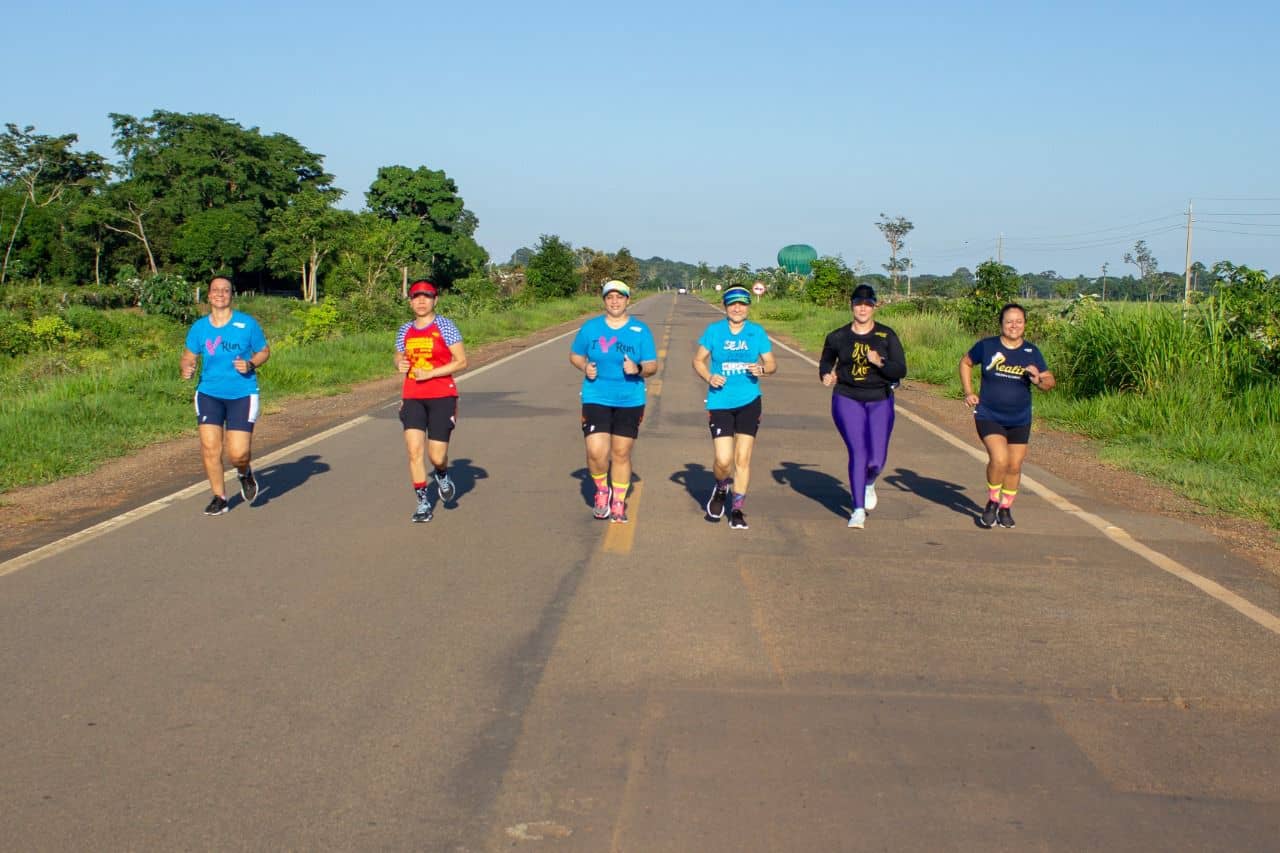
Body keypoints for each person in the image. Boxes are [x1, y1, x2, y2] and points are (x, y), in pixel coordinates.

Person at [959, 302, 1055, 529]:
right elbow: (966, 362)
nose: (1014, 326)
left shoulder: (1031, 352)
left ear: (1025, 324)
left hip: (1020, 418)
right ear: (1001, 323)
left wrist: (1038, 380)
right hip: (989, 414)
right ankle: (993, 501)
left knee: (1014, 465)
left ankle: (1005, 507)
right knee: (1000, 459)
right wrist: (969, 392)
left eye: (1019, 321)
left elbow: (1049, 382)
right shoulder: (987, 346)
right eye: (1009, 321)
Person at [568, 280, 658, 523]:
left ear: (628, 300)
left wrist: (638, 368)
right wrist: (584, 367)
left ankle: (618, 501)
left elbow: (652, 365)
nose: (615, 301)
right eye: (610, 297)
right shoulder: (591, 328)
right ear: (604, 301)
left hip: (630, 399)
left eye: (620, 297)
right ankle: (602, 490)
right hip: (596, 396)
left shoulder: (640, 330)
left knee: (621, 452)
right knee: (596, 451)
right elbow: (575, 355)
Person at [818, 283, 907, 529]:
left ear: (875, 307)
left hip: (880, 399)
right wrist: (826, 374)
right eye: (859, 304)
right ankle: (857, 510)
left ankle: (869, 483)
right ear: (852, 306)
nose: (863, 309)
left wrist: (880, 362)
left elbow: (900, 369)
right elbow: (826, 362)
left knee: (876, 460)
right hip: (847, 397)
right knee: (858, 452)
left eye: (868, 304)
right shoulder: (838, 336)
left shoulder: (886, 335)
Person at [180, 276, 271, 516]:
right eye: (216, 290)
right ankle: (219, 497)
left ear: (232, 295)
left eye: (226, 290)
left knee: (238, 454)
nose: (220, 293)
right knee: (210, 447)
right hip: (209, 393)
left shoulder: (247, 324)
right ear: (209, 295)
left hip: (242, 394)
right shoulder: (199, 327)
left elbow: (264, 351)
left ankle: (244, 472)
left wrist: (251, 364)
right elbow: (189, 355)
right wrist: (187, 367)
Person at [692, 286, 777, 530]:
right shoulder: (714, 331)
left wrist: (762, 369)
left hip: (749, 401)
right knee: (723, 460)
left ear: (748, 306)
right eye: (732, 304)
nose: (737, 308)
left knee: (743, 458)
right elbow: (698, 360)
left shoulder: (756, 332)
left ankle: (737, 509)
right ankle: (721, 487)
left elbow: (771, 364)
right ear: (725, 306)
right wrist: (709, 377)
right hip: (720, 401)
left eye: (742, 304)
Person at [395, 280, 468, 523]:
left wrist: (431, 373)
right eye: (416, 297)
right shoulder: (405, 330)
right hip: (412, 396)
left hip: (441, 396)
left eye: (426, 296)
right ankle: (423, 503)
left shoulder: (445, 326)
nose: (421, 301)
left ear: (435, 300)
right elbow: (398, 355)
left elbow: (461, 361)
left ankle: (442, 473)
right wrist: (399, 363)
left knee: (436, 456)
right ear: (410, 302)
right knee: (414, 451)